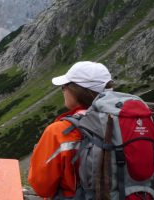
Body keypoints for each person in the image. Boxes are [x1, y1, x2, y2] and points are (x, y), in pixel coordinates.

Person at [28, 61, 113, 199]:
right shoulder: (125, 123)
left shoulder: (59, 131)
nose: (63, 90)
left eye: (64, 87)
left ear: (76, 91)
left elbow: (41, 187)